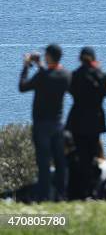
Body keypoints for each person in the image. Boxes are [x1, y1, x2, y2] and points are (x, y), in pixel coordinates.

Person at [18, 44, 71, 201]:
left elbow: (23, 86)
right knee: (60, 163)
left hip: (41, 125)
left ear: (48, 56)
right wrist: (41, 66)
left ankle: (44, 197)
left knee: (43, 163)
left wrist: (26, 66)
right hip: (57, 124)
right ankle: (62, 195)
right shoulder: (66, 75)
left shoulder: (42, 77)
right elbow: (50, 75)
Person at [66, 46, 106, 199]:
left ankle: (80, 189)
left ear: (80, 58)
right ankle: (92, 189)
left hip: (78, 119)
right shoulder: (101, 75)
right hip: (95, 119)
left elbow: (70, 90)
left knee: (80, 155)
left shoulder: (75, 75)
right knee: (93, 155)